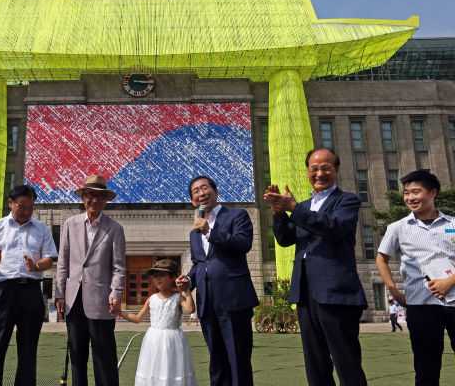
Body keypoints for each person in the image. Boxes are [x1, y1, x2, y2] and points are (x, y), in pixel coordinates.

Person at [264, 148, 368, 386]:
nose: (320, 173)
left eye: (326, 167)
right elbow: (285, 239)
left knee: (346, 362)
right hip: (305, 291)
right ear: (308, 171)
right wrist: (279, 213)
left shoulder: (347, 200)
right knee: (315, 361)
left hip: (336, 292)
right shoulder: (303, 205)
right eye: (315, 168)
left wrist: (294, 208)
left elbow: (335, 226)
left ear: (337, 170)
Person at [176, 175, 259, 386]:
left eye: (205, 188)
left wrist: (210, 232)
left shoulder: (237, 216)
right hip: (207, 303)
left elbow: (243, 243)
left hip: (233, 299)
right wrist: (188, 281)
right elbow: (199, 264)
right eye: (196, 191)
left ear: (215, 191)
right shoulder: (194, 233)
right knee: (217, 361)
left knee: (238, 360)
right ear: (193, 201)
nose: (201, 193)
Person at [0, 184, 57, 386]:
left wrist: (36, 265)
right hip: (2, 292)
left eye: (30, 207)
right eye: (22, 206)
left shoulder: (41, 229)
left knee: (28, 350)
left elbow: (49, 260)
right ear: (10, 204)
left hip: (31, 291)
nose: (26, 211)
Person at [376, 170, 455, 386]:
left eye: (416, 192)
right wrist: (394, 292)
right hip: (421, 305)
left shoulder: (453, 224)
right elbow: (381, 259)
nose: (410, 197)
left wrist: (450, 281)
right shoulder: (398, 228)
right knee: (426, 367)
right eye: (406, 193)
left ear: (433, 193)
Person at [55, 175, 126, 386]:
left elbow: (119, 267)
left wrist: (115, 292)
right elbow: (63, 261)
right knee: (76, 355)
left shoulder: (114, 229)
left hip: (102, 300)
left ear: (106, 200)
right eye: (90, 195)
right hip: (73, 300)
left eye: (100, 196)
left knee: (104, 355)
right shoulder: (70, 224)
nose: (94, 200)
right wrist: (59, 293)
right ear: (83, 197)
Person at [120, 259, 197, 386]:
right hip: (153, 339)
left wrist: (187, 289)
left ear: (173, 277)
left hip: (173, 339)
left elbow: (191, 309)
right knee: (154, 369)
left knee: (172, 369)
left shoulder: (179, 298)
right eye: (155, 276)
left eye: (162, 275)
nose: (158, 279)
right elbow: (138, 318)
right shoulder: (151, 299)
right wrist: (119, 312)